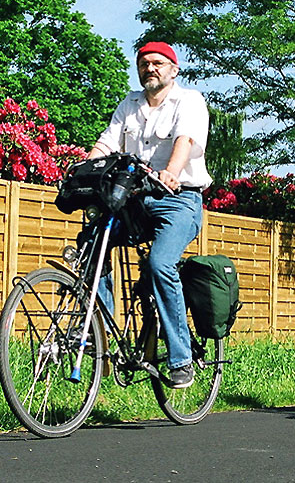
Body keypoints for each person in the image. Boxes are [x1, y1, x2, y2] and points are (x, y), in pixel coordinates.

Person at [89, 41, 212, 388]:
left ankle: (180, 358)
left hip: (178, 200)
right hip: (136, 201)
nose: (150, 68)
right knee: (92, 244)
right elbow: (107, 144)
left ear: (173, 69)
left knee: (160, 264)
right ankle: (98, 333)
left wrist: (171, 172)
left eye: (157, 63)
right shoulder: (129, 104)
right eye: (144, 63)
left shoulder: (189, 101)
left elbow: (185, 141)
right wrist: (84, 167)